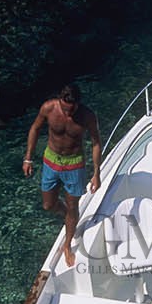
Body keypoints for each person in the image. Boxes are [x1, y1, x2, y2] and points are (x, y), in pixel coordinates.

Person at [23, 83, 101, 266]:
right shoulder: (48, 108)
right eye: (65, 109)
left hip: (74, 164)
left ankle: (67, 244)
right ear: (60, 100)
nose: (68, 114)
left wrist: (97, 172)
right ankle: (69, 216)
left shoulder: (87, 116)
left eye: (72, 110)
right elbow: (34, 129)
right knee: (48, 205)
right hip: (51, 161)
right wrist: (28, 158)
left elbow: (96, 142)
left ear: (78, 104)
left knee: (73, 206)